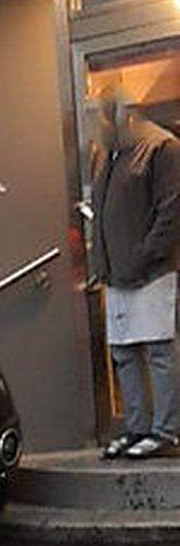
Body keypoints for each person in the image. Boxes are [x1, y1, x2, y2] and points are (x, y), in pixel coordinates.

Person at [92, 86, 180, 459]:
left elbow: (171, 210)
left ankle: (166, 432)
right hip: (116, 275)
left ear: (122, 114)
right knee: (124, 353)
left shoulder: (162, 147)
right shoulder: (110, 154)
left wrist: (145, 255)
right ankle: (136, 427)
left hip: (152, 273)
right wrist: (104, 264)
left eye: (98, 115)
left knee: (160, 351)